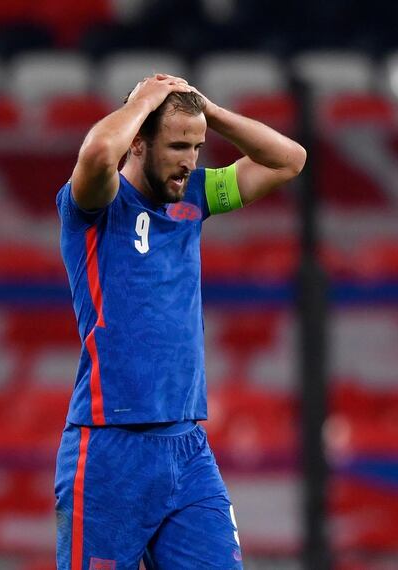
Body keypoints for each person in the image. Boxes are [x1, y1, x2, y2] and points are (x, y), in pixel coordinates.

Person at [54, 73, 306, 569]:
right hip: (109, 449)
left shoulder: (195, 195)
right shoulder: (96, 203)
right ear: (139, 143)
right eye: (177, 146)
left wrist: (208, 111)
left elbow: (288, 159)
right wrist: (145, 100)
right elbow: (99, 154)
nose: (190, 161)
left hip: (187, 448)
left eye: (197, 147)